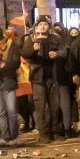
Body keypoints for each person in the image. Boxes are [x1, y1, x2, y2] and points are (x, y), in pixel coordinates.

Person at [21, 15, 61, 144]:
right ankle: (44, 133)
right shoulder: (31, 39)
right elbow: (25, 54)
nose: (43, 26)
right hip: (38, 78)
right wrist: (33, 49)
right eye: (40, 24)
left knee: (54, 106)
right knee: (40, 107)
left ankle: (55, 131)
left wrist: (58, 54)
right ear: (36, 27)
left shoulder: (55, 39)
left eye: (45, 24)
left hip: (52, 77)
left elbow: (65, 50)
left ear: (49, 27)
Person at [0, 20, 22, 147]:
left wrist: (5, 65)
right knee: (0, 112)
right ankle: (5, 137)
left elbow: (16, 61)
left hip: (9, 82)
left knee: (11, 110)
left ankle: (14, 136)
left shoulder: (10, 44)